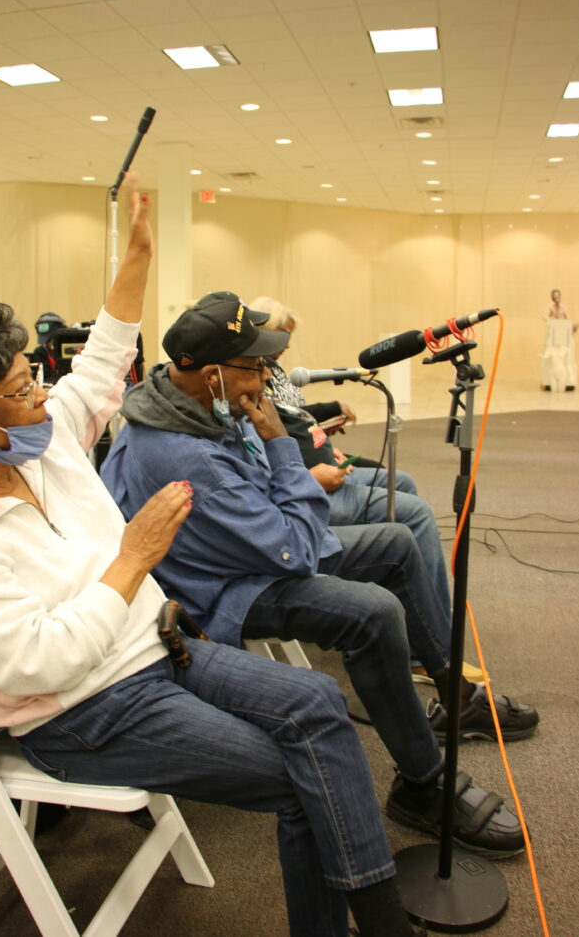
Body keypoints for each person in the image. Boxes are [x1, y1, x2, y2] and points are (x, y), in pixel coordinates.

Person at [0, 181, 432, 937]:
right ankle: (378, 923)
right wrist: (132, 559)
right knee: (305, 777)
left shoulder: (41, 444)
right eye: (21, 390)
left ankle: (374, 918)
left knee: (318, 704)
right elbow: (40, 662)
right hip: (81, 708)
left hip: (156, 645)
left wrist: (139, 255)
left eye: (35, 378)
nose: (44, 396)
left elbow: (102, 360)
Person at [100, 291, 535, 858]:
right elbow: (295, 549)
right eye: (255, 364)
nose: (266, 374)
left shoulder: (189, 401)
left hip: (243, 550)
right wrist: (280, 443)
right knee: (373, 612)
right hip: (218, 592)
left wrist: (273, 452)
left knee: (397, 542)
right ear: (211, 374)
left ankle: (456, 695)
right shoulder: (188, 454)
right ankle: (423, 785)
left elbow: (271, 508)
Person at [247, 295, 475, 683]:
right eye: (280, 335)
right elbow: (258, 463)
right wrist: (308, 477)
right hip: (305, 490)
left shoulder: (270, 373)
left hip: (316, 470)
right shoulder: (247, 385)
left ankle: (414, 615)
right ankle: (427, 651)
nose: (284, 345)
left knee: (402, 483)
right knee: (415, 515)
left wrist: (324, 436)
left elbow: (295, 421)